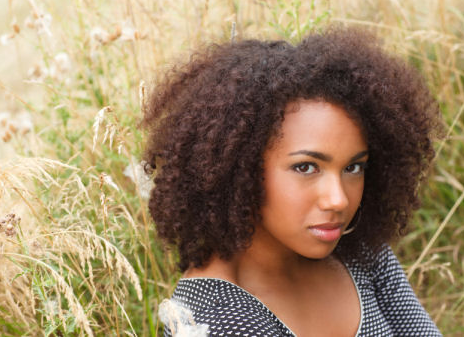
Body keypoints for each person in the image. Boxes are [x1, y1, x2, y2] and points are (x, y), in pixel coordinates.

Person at [142, 26, 443, 336]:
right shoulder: (212, 318)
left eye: (354, 167)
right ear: (238, 170)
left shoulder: (363, 257)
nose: (338, 199)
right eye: (306, 167)